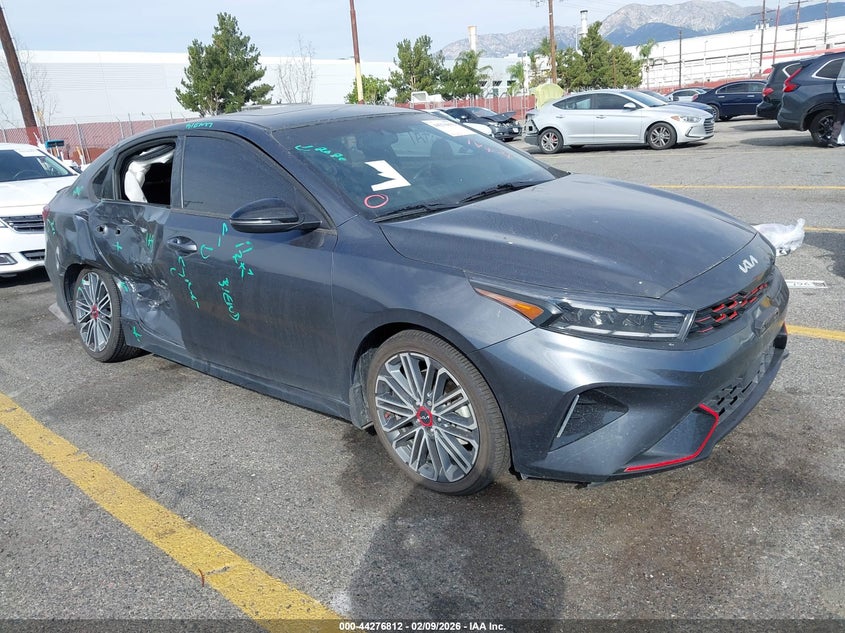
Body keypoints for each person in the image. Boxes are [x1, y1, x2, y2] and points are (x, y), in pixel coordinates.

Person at [828, 58, 845, 147]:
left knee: (838, 120)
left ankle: (833, 140)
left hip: (841, 98)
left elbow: (837, 84)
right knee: (838, 120)